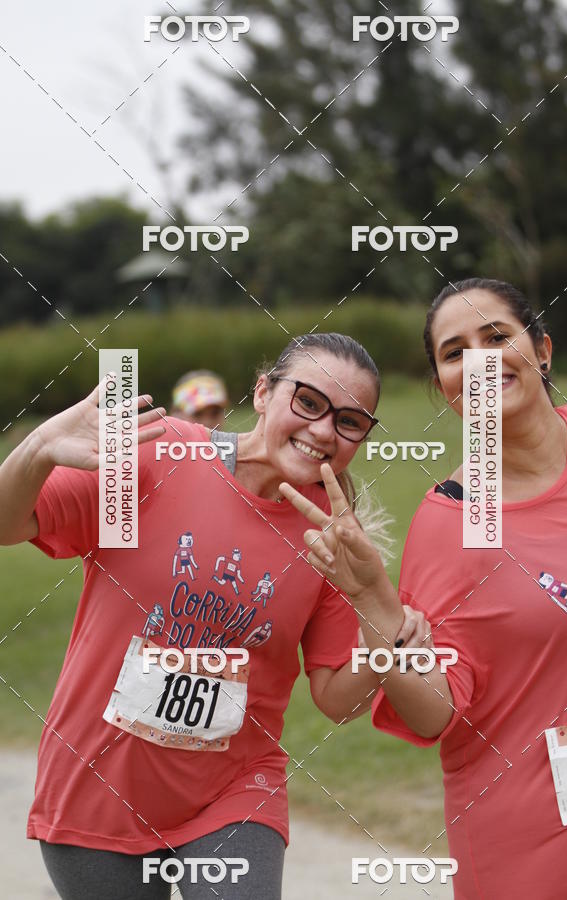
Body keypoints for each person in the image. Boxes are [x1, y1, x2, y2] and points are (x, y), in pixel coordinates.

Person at [0, 332, 429, 900]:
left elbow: (337, 700)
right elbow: (10, 523)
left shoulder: (331, 537)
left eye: (350, 421)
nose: (324, 429)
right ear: (262, 392)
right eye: (308, 402)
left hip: (232, 793)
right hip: (95, 783)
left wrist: (386, 627)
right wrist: (39, 446)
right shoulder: (161, 454)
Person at [281, 281, 567, 900]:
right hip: (530, 842)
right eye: (454, 353)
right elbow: (433, 714)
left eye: (497, 337)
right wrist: (374, 600)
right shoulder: (452, 520)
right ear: (443, 387)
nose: (479, 360)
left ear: (543, 349)